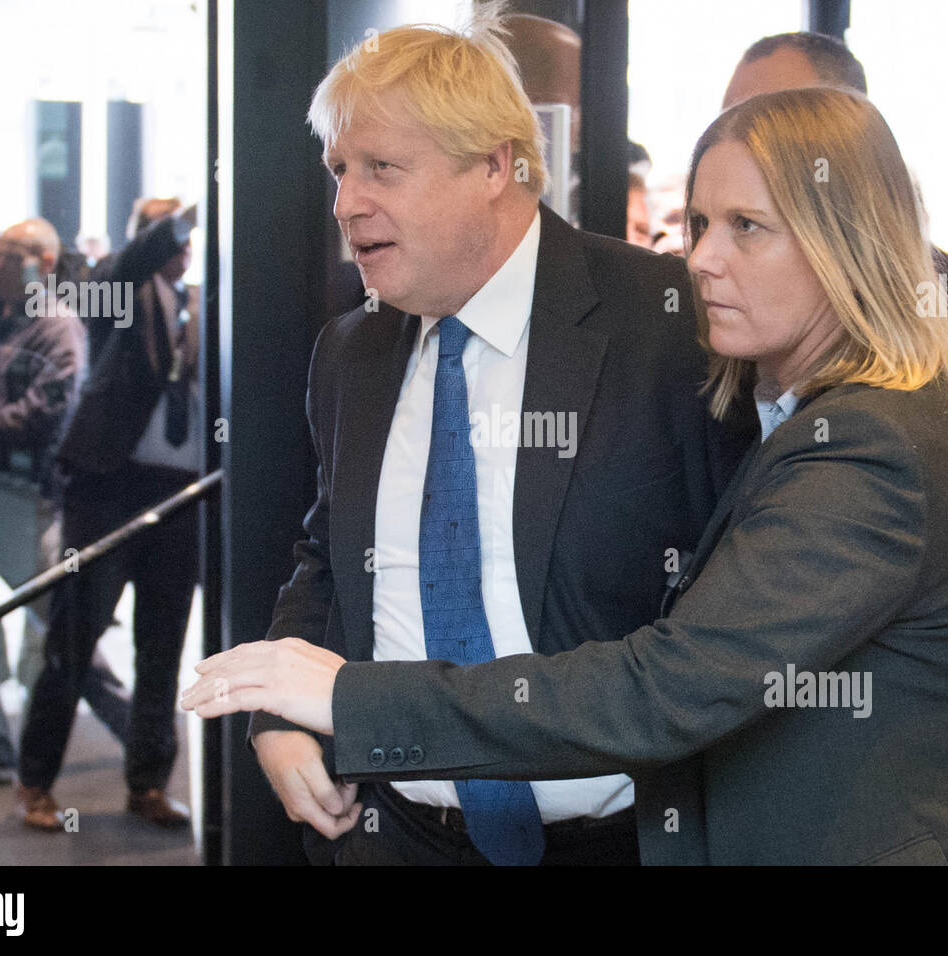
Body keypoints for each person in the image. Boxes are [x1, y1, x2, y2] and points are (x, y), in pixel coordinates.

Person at [186, 87, 948, 866]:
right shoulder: (827, 409)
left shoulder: (873, 446)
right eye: (703, 223)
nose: (702, 257)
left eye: (748, 228)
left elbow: (665, 688)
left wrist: (348, 700)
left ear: (848, 241)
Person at [226, 10, 739, 866]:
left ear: (496, 164)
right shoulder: (350, 351)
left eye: (382, 168)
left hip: (622, 845)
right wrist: (279, 718)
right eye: (340, 171)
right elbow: (326, 563)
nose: (348, 204)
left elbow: (735, 614)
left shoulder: (669, 323)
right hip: (393, 840)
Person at [721, 30, 948, 461]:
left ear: (849, 127)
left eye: (780, 117)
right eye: (732, 119)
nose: (742, 138)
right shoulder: (711, 290)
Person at [0, 218, 131, 791]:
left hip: (18, 501)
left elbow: (47, 413)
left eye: (6, 256)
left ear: (41, 261)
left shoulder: (59, 327)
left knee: (66, 631)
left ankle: (138, 735)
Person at [16, 205, 200, 830]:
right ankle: (35, 782)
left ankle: (147, 784)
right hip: (109, 489)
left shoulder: (204, 302)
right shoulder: (115, 291)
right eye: (174, 232)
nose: (186, 244)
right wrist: (185, 213)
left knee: (163, 648)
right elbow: (134, 261)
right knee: (73, 642)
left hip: (182, 496)